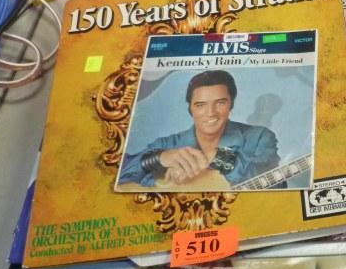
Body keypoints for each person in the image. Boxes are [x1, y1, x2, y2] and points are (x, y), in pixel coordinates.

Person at [119, 70, 281, 189]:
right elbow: (120, 177)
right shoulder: (167, 144)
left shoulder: (259, 137)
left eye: (220, 103)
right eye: (200, 105)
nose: (211, 113)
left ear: (231, 104)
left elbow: (275, 184)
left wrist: (214, 157)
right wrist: (159, 158)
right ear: (190, 108)